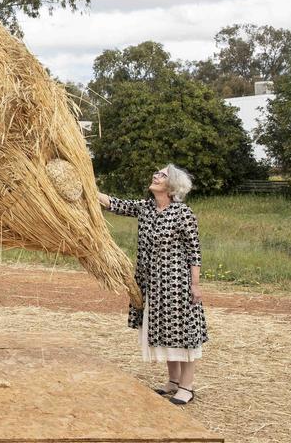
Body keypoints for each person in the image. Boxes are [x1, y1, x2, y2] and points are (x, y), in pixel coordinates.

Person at [98, 164, 207, 405]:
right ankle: (173, 382)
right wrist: (87, 187)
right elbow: (116, 204)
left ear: (172, 185)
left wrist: (195, 285)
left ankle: (187, 387)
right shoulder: (146, 208)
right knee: (165, 332)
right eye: (156, 173)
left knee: (183, 333)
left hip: (176, 283)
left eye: (161, 175)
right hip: (152, 284)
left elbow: (194, 252)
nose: (155, 176)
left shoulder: (183, 213)